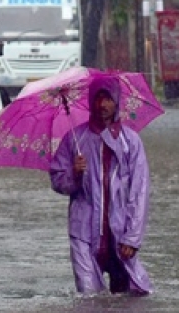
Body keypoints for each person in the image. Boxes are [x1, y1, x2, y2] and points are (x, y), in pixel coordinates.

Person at [49, 76, 152, 295]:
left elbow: (139, 192)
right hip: (84, 232)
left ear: (117, 102)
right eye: (98, 99)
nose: (102, 105)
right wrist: (74, 174)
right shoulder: (74, 139)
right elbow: (57, 181)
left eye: (108, 99)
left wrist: (132, 238)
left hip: (120, 232)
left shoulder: (130, 142)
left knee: (130, 299)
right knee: (89, 303)